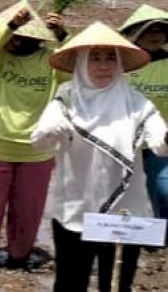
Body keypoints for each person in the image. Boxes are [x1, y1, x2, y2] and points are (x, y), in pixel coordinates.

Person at [30, 22, 168, 292]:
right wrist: (50, 129)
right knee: (70, 282)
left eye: (109, 58)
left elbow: (160, 143)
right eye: (94, 58)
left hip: (125, 212)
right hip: (75, 209)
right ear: (81, 62)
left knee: (117, 283)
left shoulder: (137, 103)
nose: (103, 66)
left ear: (119, 63)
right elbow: (40, 140)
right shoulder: (66, 98)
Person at [0, 0, 68, 269]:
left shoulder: (50, 62)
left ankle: (18, 257)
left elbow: (73, 68)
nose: (14, 40)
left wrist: (61, 35)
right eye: (11, 35)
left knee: (28, 213)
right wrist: (12, 24)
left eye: (22, 35)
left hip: (37, 151)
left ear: (38, 39)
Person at [119, 4, 168, 227]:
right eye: (149, 31)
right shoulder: (118, 63)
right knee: (123, 192)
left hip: (161, 141)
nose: (155, 36)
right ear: (135, 33)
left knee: (164, 189)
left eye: (160, 31)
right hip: (123, 142)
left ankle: (161, 231)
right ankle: (125, 232)